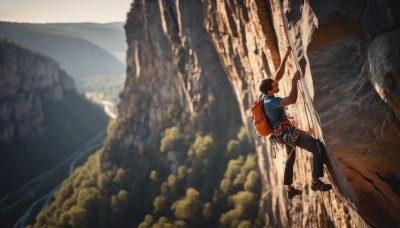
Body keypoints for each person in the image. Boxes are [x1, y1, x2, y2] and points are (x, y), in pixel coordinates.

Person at [258, 47, 332, 200]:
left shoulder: (264, 96)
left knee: (290, 160)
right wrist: (294, 81)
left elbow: (277, 76)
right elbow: (291, 100)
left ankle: (290, 190)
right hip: (287, 134)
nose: (277, 85)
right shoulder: (272, 102)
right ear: (270, 91)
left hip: (280, 135)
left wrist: (285, 56)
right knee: (317, 147)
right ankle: (315, 182)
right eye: (274, 85)